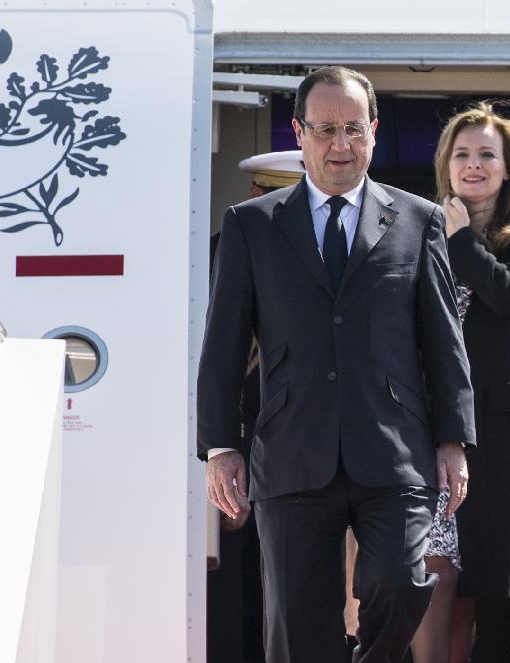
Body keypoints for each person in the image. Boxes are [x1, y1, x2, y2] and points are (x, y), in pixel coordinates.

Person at [197, 66, 476, 663]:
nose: (340, 145)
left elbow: (443, 342)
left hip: (394, 450)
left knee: (402, 583)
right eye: (325, 130)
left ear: (374, 131)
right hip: (294, 451)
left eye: (353, 129)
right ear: (300, 133)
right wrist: (221, 446)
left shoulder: (418, 219)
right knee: (297, 622)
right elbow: (222, 344)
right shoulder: (252, 225)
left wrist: (453, 439)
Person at [426, 102, 510, 663]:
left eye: (486, 155)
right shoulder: (418, 229)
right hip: (422, 425)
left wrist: (461, 240)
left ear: (507, 170)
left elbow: (508, 294)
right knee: (431, 575)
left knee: (467, 590)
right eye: (462, 154)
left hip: (493, 431)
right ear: (446, 165)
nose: (472, 165)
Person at [207, 150, 304, 663]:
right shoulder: (218, 256)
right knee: (232, 607)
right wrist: (224, 455)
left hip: (295, 464)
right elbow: (219, 368)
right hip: (232, 457)